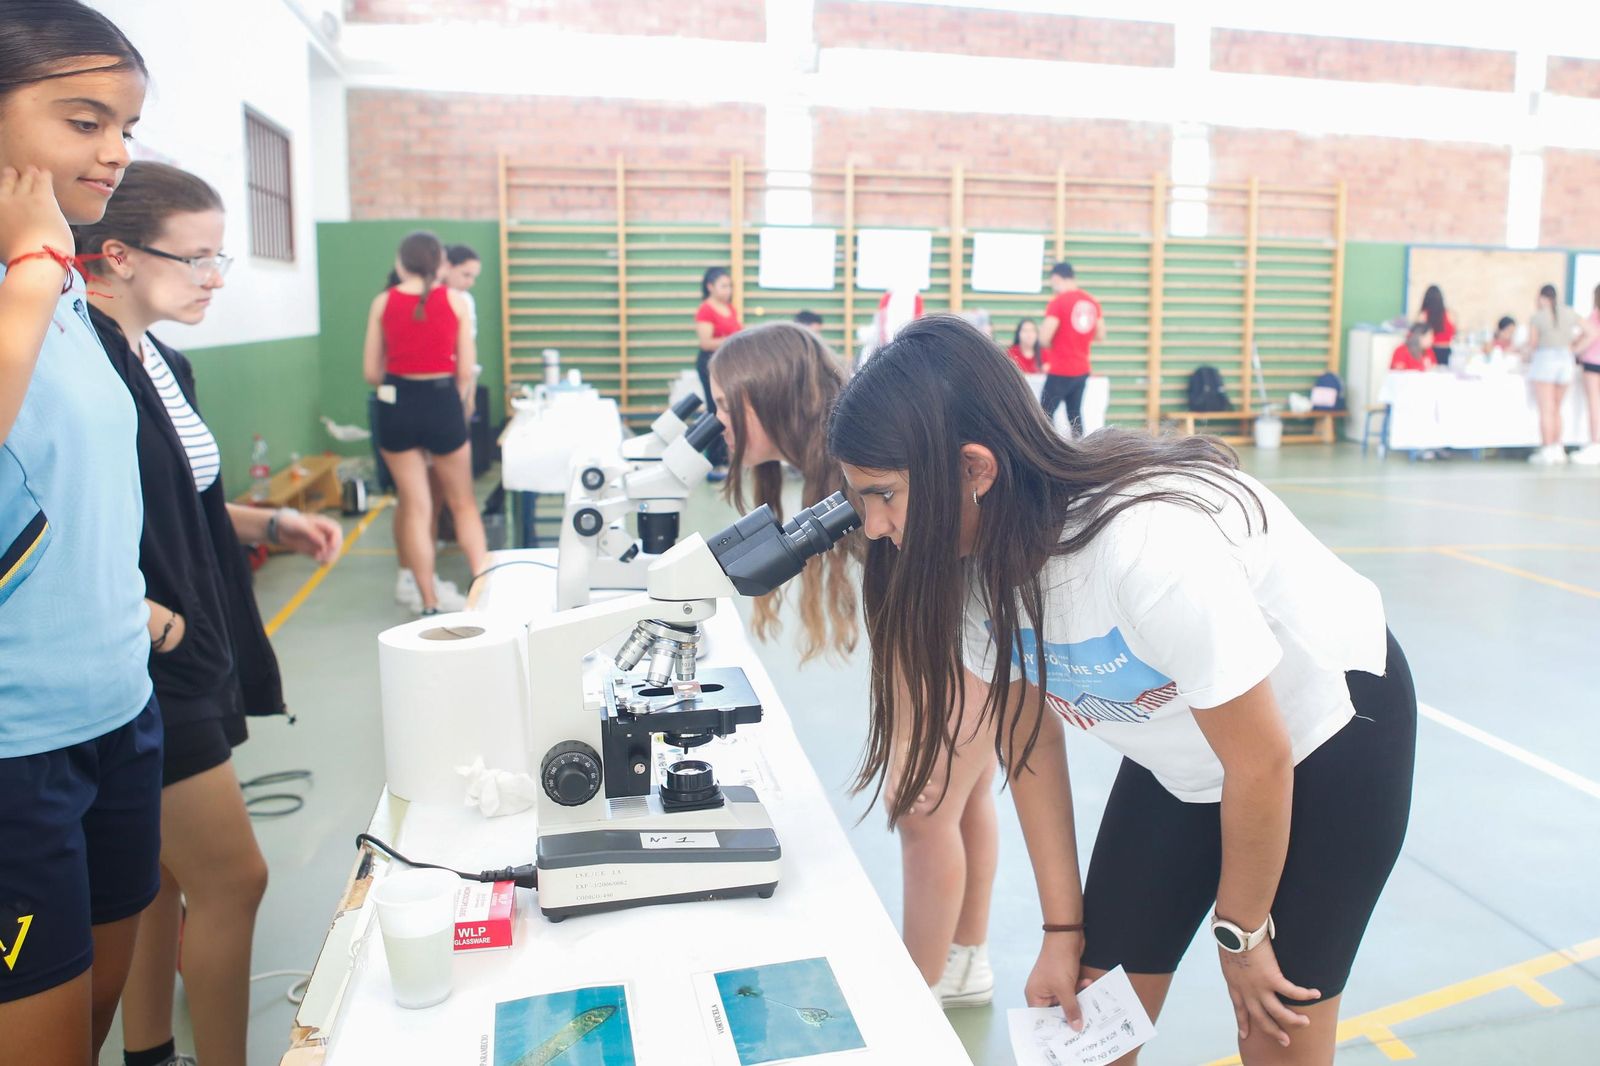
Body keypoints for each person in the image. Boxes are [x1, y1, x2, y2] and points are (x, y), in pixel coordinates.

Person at [827, 315, 1415, 1063]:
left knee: (1273, 1034)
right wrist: (1061, 934)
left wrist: (1241, 933)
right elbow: (1029, 743)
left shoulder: (1148, 550)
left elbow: (1260, 762)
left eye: (884, 495)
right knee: (1089, 1029)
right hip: (1187, 753)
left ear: (975, 470)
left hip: (1324, 742)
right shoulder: (971, 567)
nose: (872, 527)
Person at [78, 161, 344, 1066]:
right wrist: (140, 610)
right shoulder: (84, 360)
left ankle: (151, 1052)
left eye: (220, 256)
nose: (216, 278)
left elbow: (180, 500)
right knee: (234, 879)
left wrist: (272, 519)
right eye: (196, 259)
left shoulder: (164, 358)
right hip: (147, 663)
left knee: (157, 880)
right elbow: (68, 508)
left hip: (198, 632)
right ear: (115, 255)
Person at [709, 321, 999, 1008]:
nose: (715, 420)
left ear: (767, 395)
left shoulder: (862, 460)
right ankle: (963, 961)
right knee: (966, 793)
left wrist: (912, 730)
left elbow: (929, 590)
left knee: (923, 806)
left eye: (725, 405)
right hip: (957, 625)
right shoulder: (838, 458)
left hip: (974, 626)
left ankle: (916, 998)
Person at [0, 7, 166, 1062]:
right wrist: (27, 273)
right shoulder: (32, 281)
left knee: (92, 1014)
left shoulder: (58, 284)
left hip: (119, 711)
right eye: (82, 118)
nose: (113, 149)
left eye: (127, 127)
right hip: (15, 755)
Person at [364, 230, 488, 612]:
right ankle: (485, 596)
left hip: (398, 406)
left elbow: (371, 372)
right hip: (442, 404)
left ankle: (429, 602)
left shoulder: (383, 302)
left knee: (415, 507)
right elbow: (465, 369)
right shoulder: (456, 301)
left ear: (401, 263)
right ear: (440, 264)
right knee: (463, 504)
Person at [1039, 262, 1105, 437]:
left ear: (1056, 278)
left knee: (1043, 414)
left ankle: (1048, 451)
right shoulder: (1091, 302)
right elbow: (1100, 335)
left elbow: (1044, 337)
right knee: (1074, 414)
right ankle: (1080, 450)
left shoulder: (1059, 302)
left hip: (1061, 368)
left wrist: (1055, 343)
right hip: (1082, 368)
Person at [1522, 283, 1584, 466]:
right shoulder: (1568, 313)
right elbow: (1591, 332)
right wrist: (1573, 348)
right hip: (1566, 360)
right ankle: (1558, 447)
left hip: (1545, 360)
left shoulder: (1538, 317)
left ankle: (1547, 448)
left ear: (1542, 298)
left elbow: (1532, 343)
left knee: (1546, 408)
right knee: (1557, 407)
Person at [694, 265, 739, 479]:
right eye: (723, 286)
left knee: (728, 410)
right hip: (709, 363)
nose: (728, 290)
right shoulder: (706, 309)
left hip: (727, 364)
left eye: (729, 285)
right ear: (710, 287)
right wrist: (732, 340)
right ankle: (713, 462)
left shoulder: (730, 308)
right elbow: (705, 342)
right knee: (716, 410)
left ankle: (726, 459)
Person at [1572, 284, 1600, 466]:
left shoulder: (1595, 316)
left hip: (1592, 363)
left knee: (1594, 404)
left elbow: (1585, 336)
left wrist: (1572, 350)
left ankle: (1595, 444)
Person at [1415, 285, 1455, 368]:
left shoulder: (1423, 315)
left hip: (1430, 350)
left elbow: (1417, 333)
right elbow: (1453, 331)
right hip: (1445, 349)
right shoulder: (1448, 314)